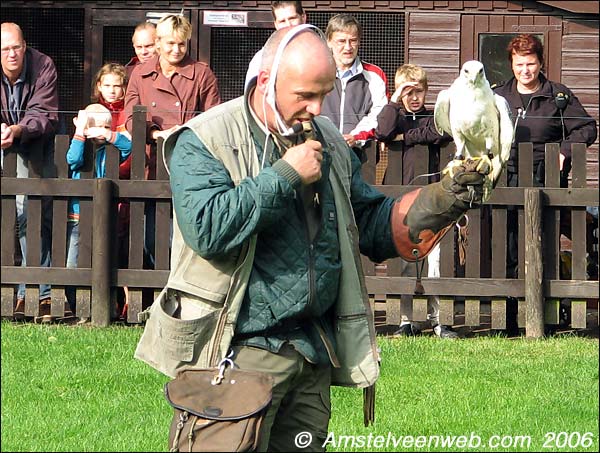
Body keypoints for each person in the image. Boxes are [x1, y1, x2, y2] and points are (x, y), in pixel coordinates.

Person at [135, 25, 488, 451]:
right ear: (266, 82)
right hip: (234, 352)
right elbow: (209, 230)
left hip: (311, 351)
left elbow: (374, 225)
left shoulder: (328, 140)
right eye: (304, 95)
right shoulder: (204, 139)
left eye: (323, 94)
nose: (316, 108)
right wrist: (287, 175)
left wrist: (443, 198)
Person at [492, 34, 597, 333]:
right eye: (519, 64)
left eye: (531, 64)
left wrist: (564, 152)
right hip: (507, 178)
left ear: (540, 63)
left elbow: (588, 127)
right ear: (511, 64)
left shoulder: (558, 96)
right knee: (508, 249)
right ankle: (507, 319)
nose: (525, 70)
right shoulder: (498, 95)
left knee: (545, 247)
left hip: (547, 180)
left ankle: (548, 317)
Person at [124, 13, 221, 275]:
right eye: (170, 44)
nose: (176, 50)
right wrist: (155, 133)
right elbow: (130, 117)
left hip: (190, 162)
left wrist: (186, 133)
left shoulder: (201, 74)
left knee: (185, 233)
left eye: (181, 44)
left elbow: (214, 118)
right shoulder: (139, 74)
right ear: (158, 43)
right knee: (151, 236)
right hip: (151, 164)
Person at [375, 64, 456, 338]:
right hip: (401, 200)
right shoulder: (394, 116)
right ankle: (405, 320)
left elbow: (440, 132)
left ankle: (439, 320)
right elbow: (383, 132)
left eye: (418, 92)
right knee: (405, 259)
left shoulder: (433, 116)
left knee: (436, 259)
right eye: (407, 92)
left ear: (426, 92)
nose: (413, 98)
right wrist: (393, 100)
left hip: (432, 198)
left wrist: (406, 136)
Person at [1, 22, 58, 322]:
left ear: (24, 46)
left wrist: (17, 129)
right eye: (5, 49)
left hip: (33, 144)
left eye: (16, 47)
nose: (12, 54)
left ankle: (35, 293)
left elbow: (43, 113)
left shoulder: (43, 65)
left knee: (30, 211)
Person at [65, 104, 131, 323]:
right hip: (78, 216)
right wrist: (80, 130)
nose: (98, 131)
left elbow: (129, 147)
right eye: (95, 126)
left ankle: (107, 307)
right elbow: (73, 160)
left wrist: (110, 135)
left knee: (105, 260)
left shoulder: (109, 151)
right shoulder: (81, 146)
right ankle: (78, 308)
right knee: (74, 263)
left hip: (105, 217)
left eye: (105, 126)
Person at [91, 62, 132, 319]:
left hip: (124, 186)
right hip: (96, 184)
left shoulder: (127, 115)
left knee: (123, 246)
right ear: (99, 87)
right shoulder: (92, 113)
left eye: (117, 86)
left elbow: (129, 149)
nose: (112, 91)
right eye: (107, 85)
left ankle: (126, 301)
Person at [321, 13, 388, 162]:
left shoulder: (374, 75)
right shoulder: (317, 73)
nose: (347, 47)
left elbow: (379, 113)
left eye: (353, 41)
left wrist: (356, 137)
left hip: (361, 155)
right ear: (329, 42)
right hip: (321, 152)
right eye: (341, 41)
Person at [244, 1, 307, 90]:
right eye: (282, 21)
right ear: (276, 25)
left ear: (303, 17)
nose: (288, 25)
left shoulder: (319, 53)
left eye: (292, 18)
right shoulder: (261, 60)